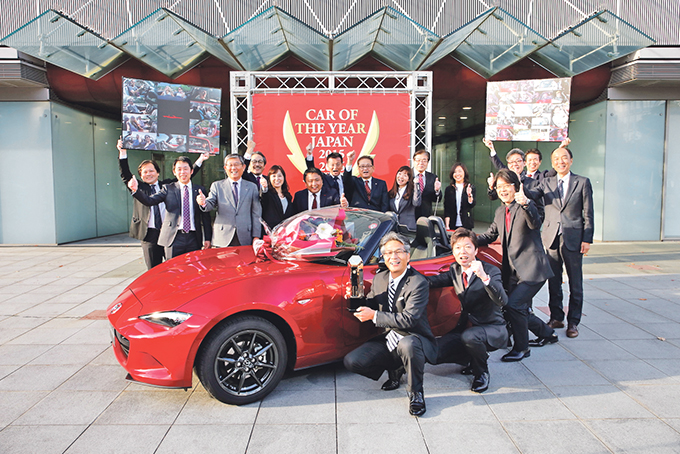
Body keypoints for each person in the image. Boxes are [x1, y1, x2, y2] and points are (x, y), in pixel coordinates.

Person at [343, 232, 437, 416]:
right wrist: (356, 297)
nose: (393, 257)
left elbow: (410, 319)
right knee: (352, 361)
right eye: (388, 253)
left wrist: (375, 316)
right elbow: (371, 304)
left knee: (408, 344)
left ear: (407, 255)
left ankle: (416, 393)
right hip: (390, 337)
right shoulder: (380, 278)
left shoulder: (418, 282)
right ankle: (395, 369)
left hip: (414, 337)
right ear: (383, 257)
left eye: (398, 252)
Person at [476, 169, 557, 362]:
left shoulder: (526, 205)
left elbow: (535, 223)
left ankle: (522, 348)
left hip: (532, 269)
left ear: (516, 187)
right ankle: (547, 334)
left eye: (507, 186)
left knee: (515, 305)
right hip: (512, 271)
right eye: (499, 187)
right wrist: (465, 240)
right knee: (514, 307)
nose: (503, 190)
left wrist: (527, 203)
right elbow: (489, 236)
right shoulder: (499, 211)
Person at [525, 146, 594, 338]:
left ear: (571, 160)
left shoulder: (582, 182)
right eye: (556, 159)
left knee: (575, 282)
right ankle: (556, 317)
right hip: (551, 237)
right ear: (552, 162)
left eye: (564, 158)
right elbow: (529, 194)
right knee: (553, 280)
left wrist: (587, 239)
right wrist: (511, 183)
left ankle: (573, 322)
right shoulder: (546, 183)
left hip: (574, 237)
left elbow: (588, 213)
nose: (560, 161)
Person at [427, 228, 508, 393]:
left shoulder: (491, 271)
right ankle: (470, 358)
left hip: (491, 328)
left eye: (467, 247)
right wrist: (405, 275)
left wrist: (484, 277)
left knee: (470, 337)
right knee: (434, 355)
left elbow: (502, 300)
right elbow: (433, 281)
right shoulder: (455, 269)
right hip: (465, 327)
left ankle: (481, 372)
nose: (462, 251)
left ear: (476, 250)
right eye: (458, 248)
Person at [117, 139, 208, 269]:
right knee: (154, 269)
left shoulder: (167, 186)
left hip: (171, 232)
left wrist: (200, 160)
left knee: (175, 267)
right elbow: (125, 175)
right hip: (150, 234)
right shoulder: (140, 188)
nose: (148, 174)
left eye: (151, 171)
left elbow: (185, 176)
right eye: (145, 172)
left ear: (158, 172)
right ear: (140, 176)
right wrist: (123, 153)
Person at [128, 156, 212, 259]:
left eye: (185, 169)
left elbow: (206, 216)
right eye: (179, 169)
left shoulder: (199, 190)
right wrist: (135, 190)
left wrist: (208, 238)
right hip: (174, 237)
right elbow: (149, 201)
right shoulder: (168, 189)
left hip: (194, 238)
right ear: (174, 172)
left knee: (192, 270)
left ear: (191, 171)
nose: (182, 172)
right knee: (173, 270)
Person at [197, 154, 262, 247]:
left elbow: (256, 213)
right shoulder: (217, 186)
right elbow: (210, 203)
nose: (233, 168)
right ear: (225, 168)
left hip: (245, 237)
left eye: (236, 164)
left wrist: (256, 236)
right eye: (230, 165)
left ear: (243, 167)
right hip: (222, 238)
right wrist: (203, 203)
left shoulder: (252, 187)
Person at [443, 162, 476, 230]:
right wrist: (447, 226)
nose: (457, 174)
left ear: (464, 173)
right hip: (453, 224)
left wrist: (469, 195)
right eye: (455, 172)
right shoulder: (449, 189)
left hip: (466, 224)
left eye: (460, 171)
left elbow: (471, 205)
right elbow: (447, 209)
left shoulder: (470, 187)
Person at [388, 166, 421, 230]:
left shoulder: (412, 192)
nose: (401, 177)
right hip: (394, 228)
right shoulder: (391, 193)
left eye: (405, 175)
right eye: (399, 173)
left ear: (409, 179)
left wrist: (416, 185)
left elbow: (416, 203)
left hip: (408, 228)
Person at [260, 165, 293, 230]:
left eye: (280, 176)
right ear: (269, 178)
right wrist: (264, 188)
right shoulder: (268, 194)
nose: (277, 179)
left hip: (285, 233)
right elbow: (264, 198)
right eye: (274, 176)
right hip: (271, 233)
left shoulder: (288, 196)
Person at [412, 149, 442, 218]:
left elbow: (437, 199)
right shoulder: (407, 175)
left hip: (426, 216)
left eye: (424, 160)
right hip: (409, 216)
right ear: (413, 161)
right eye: (418, 160)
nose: (421, 163)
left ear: (428, 162)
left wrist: (437, 191)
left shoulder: (433, 177)